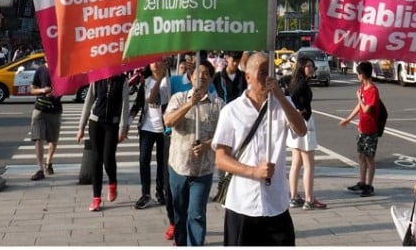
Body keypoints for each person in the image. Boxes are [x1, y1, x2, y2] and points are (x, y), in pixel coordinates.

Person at [212, 51, 307, 246]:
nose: (267, 77)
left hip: (276, 204)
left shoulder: (283, 104)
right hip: (242, 204)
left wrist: (281, 96)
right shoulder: (232, 111)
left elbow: (301, 130)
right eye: (262, 72)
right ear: (248, 76)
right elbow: (220, 158)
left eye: (271, 71)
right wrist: (254, 172)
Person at [165, 58, 222, 246]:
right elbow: (169, 121)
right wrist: (190, 104)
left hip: (202, 171)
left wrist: (208, 144)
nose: (202, 77)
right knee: (179, 213)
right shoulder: (178, 98)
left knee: (196, 214)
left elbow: (225, 137)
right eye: (198, 73)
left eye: (207, 74)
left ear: (211, 78)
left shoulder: (218, 105)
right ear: (190, 76)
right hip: (179, 167)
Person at [76, 73, 131, 212]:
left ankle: (112, 183)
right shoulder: (97, 77)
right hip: (95, 122)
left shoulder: (122, 80)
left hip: (112, 124)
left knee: (108, 158)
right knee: (96, 159)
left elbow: (125, 105)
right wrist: (81, 127)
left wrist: (123, 128)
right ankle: (96, 198)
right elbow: (88, 101)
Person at [287, 59, 326, 210]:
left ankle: (294, 197)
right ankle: (309, 199)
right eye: (309, 66)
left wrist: (294, 112)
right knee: (309, 164)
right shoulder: (301, 83)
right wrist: (299, 110)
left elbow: (288, 97)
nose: (312, 68)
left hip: (297, 124)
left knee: (296, 163)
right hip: (304, 123)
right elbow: (292, 98)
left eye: (313, 66)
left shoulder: (294, 81)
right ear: (302, 67)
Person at [339, 61, 382, 197]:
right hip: (362, 128)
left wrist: (359, 97)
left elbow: (366, 108)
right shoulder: (363, 87)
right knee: (361, 156)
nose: (357, 76)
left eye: (358, 73)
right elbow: (359, 107)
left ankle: (369, 185)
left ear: (363, 74)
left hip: (371, 129)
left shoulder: (373, 90)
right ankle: (362, 182)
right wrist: (348, 119)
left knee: (369, 158)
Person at [131, 59, 170, 209]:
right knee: (143, 160)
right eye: (152, 61)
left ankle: (160, 192)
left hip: (164, 129)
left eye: (159, 61)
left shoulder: (170, 82)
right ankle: (145, 193)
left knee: (162, 162)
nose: (155, 64)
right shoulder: (145, 82)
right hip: (147, 127)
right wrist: (126, 124)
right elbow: (139, 104)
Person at [28, 58, 61, 181]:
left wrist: (56, 92)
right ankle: (40, 169)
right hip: (40, 109)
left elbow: (67, 88)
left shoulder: (60, 69)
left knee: (53, 139)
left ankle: (49, 162)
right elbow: (32, 89)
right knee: (38, 138)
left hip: (55, 109)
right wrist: (42, 90)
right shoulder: (41, 70)